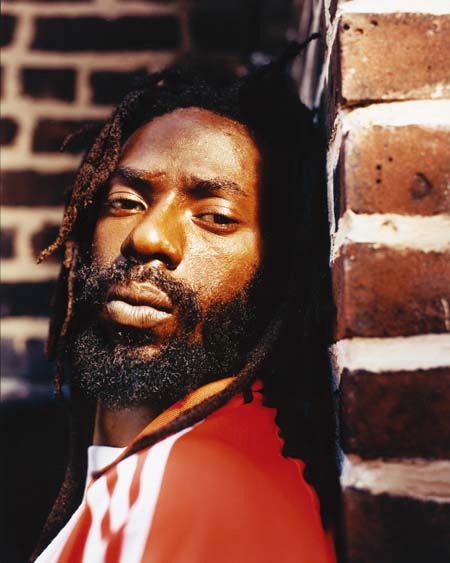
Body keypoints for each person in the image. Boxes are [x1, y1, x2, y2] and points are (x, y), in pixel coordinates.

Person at [32, 40, 339, 563]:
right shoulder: (148, 482)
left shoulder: (199, 490)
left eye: (215, 217)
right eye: (125, 202)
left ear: (277, 267)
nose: (149, 236)